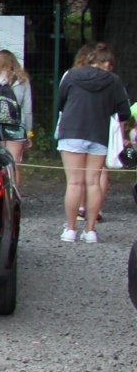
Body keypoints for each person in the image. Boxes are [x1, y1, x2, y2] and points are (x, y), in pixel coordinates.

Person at [55, 43, 130, 243]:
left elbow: (60, 102)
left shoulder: (71, 75)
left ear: (89, 59)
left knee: (74, 182)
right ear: (106, 62)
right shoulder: (113, 81)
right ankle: (90, 231)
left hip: (72, 132)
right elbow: (125, 112)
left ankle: (70, 230)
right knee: (93, 182)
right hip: (98, 134)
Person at [0, 49, 33, 184]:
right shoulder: (22, 80)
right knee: (14, 166)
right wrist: (29, 132)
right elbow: (27, 110)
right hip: (16, 127)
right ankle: (14, 198)